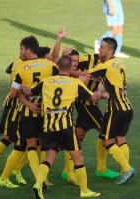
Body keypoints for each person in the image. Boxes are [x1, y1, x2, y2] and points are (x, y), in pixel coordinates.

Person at [30, 55, 102, 198]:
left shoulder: (46, 81)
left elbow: (30, 92)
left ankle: (38, 184)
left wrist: (20, 87)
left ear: (57, 67)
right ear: (70, 68)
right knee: (78, 158)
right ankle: (84, 190)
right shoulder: (75, 83)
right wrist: (100, 89)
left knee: (48, 159)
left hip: (49, 127)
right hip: (66, 127)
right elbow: (92, 98)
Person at [0, 35, 59, 188]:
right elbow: (57, 85)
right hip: (43, 112)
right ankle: (40, 180)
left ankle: (10, 178)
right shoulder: (50, 65)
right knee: (32, 146)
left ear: (29, 50)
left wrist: (26, 98)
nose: (20, 52)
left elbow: (13, 94)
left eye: (22, 49)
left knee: (24, 146)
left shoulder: (20, 67)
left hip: (25, 113)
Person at [79, 37, 135, 185]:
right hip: (127, 107)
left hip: (115, 110)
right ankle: (124, 173)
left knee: (107, 141)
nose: (99, 50)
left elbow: (85, 75)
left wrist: (65, 71)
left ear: (110, 50)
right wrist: (100, 93)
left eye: (102, 47)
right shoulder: (119, 63)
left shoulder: (105, 66)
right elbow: (107, 82)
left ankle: (127, 169)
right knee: (121, 139)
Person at [60, 49, 119, 184]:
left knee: (78, 135)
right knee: (107, 134)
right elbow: (67, 70)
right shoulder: (86, 59)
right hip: (86, 103)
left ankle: (67, 171)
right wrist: (84, 74)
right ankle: (102, 169)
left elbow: (104, 82)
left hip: (90, 102)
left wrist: (101, 92)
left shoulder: (109, 64)